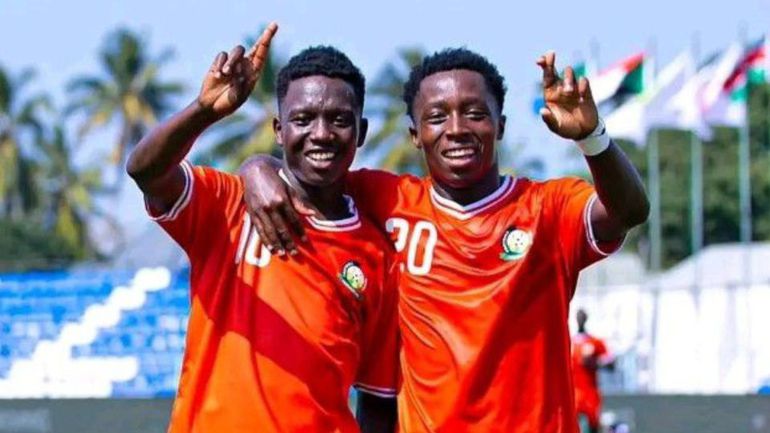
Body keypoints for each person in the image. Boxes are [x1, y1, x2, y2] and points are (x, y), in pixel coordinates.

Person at [240, 48, 649, 432]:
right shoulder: (387, 200)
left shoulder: (548, 209)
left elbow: (629, 211)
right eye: (437, 117)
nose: (456, 129)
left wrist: (593, 138)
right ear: (415, 134)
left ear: (500, 125)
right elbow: (312, 168)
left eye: (474, 114)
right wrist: (258, 167)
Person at [126, 24, 399, 433]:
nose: (321, 134)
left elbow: (378, 400)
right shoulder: (228, 205)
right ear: (279, 131)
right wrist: (204, 110)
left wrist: (258, 165)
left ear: (360, 132)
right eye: (303, 119)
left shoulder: (377, 255)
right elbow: (145, 171)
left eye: (339, 120)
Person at [572, 309, 615, 433]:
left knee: (593, 425)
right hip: (573, 392)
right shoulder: (569, 342)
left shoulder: (595, 342)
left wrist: (595, 362)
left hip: (590, 391)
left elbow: (611, 363)